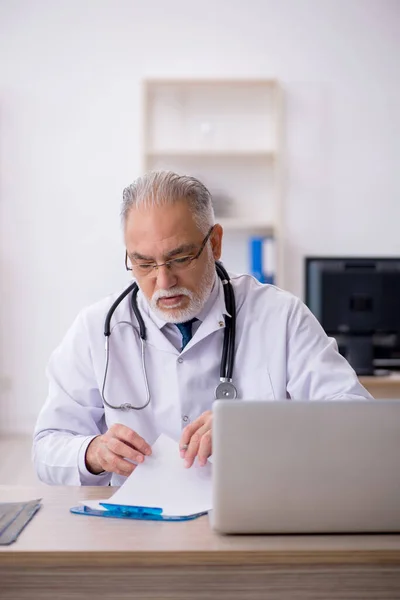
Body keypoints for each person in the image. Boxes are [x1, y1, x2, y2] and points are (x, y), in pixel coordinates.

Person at [33, 171, 372, 486]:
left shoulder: (280, 316)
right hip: (139, 527)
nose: (163, 281)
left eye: (179, 258)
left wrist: (257, 426)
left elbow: (359, 420)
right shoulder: (96, 329)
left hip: (256, 511)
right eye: (144, 263)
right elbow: (47, 447)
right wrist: (91, 452)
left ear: (215, 244)